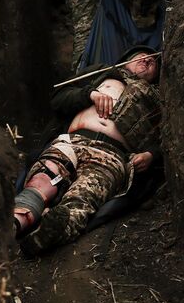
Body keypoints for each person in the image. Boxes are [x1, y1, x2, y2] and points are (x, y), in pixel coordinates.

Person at [13, 47, 162, 255]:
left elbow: (167, 139)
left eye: (153, 62)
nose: (147, 60)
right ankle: (15, 222)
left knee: (83, 196)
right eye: (142, 56)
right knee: (43, 180)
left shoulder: (158, 101)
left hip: (111, 157)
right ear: (126, 59)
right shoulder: (100, 73)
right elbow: (58, 97)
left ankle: (48, 234)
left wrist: (151, 155)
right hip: (71, 142)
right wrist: (89, 94)